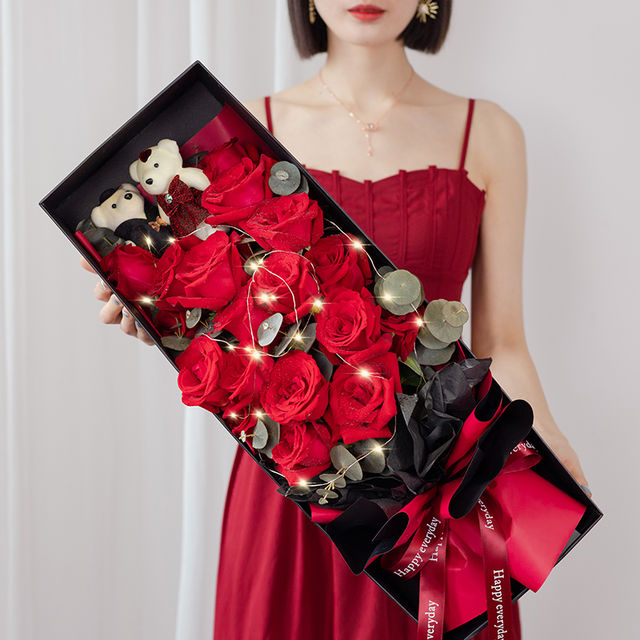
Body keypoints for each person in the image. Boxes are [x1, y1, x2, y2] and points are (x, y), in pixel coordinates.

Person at [83, 1, 591, 637]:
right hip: (294, 489)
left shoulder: (489, 133)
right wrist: (157, 316)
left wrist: (551, 441)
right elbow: (223, 323)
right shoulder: (242, 133)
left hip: (433, 478)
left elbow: (502, 341)